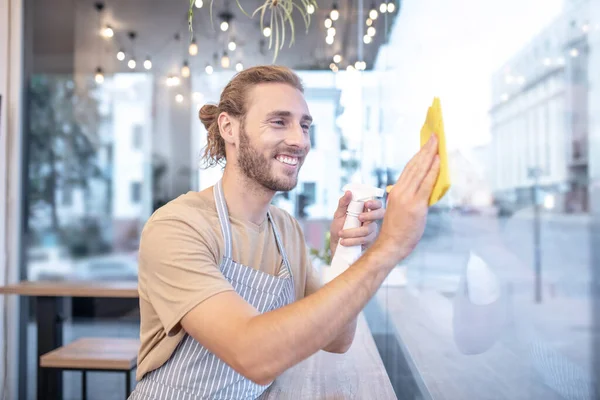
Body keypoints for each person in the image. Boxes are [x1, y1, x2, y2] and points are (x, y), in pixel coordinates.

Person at [128, 65, 440, 399]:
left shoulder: (285, 228)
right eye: (279, 122)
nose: (299, 140)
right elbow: (253, 355)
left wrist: (345, 250)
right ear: (229, 127)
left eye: (305, 126)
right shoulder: (178, 226)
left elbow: (337, 338)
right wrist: (389, 248)